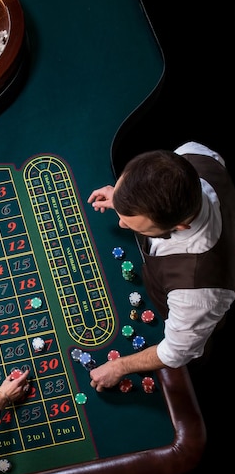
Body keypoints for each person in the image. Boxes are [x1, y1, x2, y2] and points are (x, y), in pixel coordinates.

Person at [87, 141, 235, 392]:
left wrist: (119, 367)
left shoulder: (197, 292)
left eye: (134, 225)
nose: (122, 224)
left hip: (182, 327)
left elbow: (177, 352)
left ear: (178, 226)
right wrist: (126, 201)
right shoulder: (193, 154)